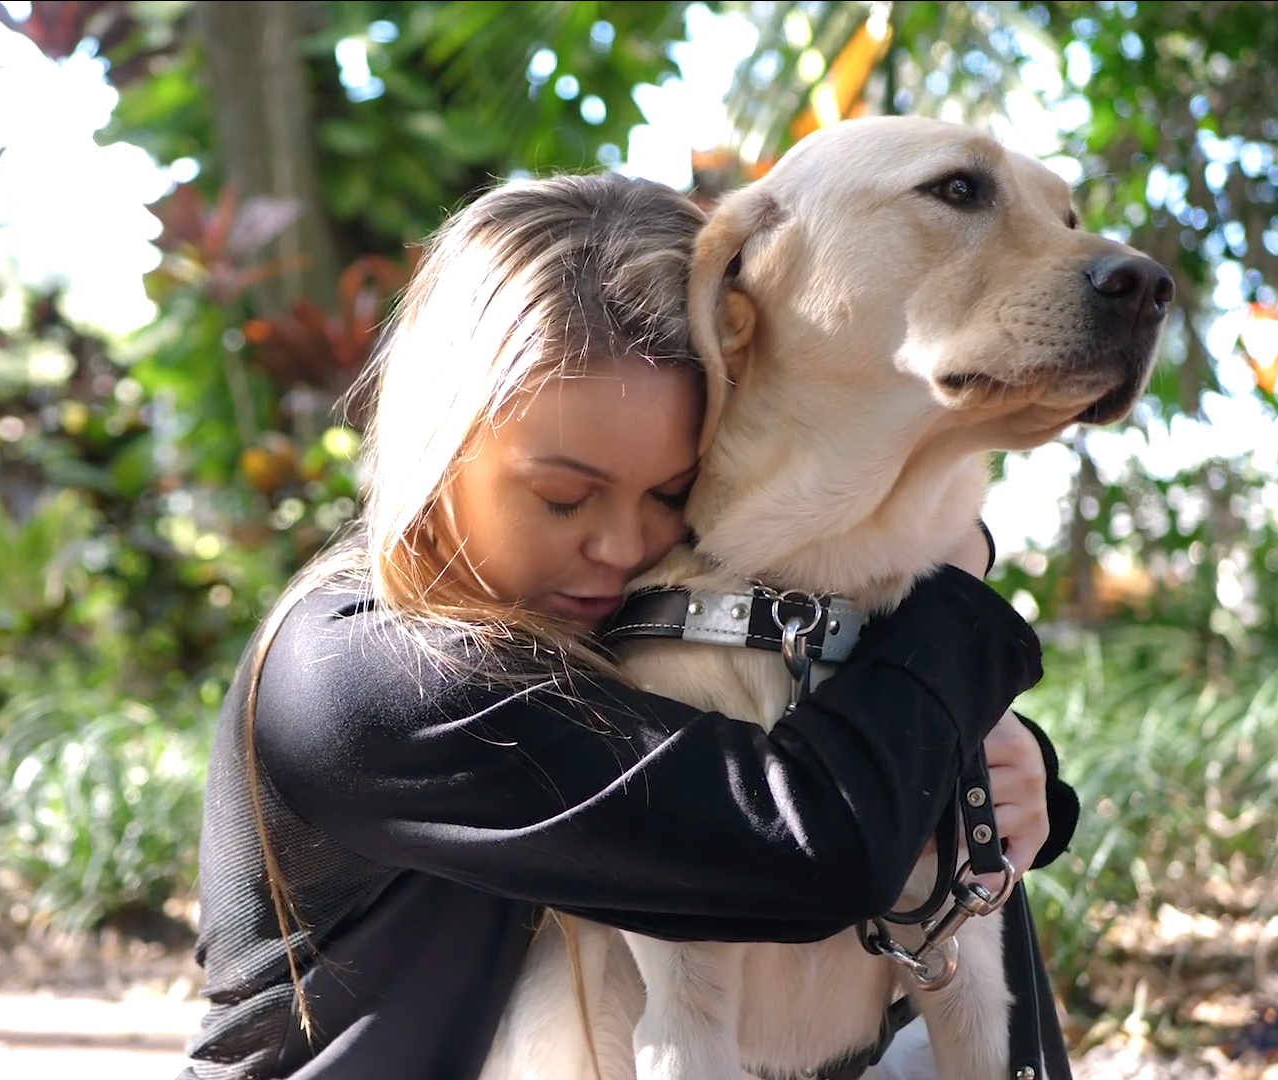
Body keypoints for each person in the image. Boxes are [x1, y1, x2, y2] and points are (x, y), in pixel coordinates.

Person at [181, 172, 1078, 1080]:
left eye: (669, 493)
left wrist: (1008, 777)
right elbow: (802, 845)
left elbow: (775, 755)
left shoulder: (622, 623)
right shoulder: (362, 676)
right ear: (440, 446)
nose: (619, 544)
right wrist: (955, 573)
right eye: (564, 497)